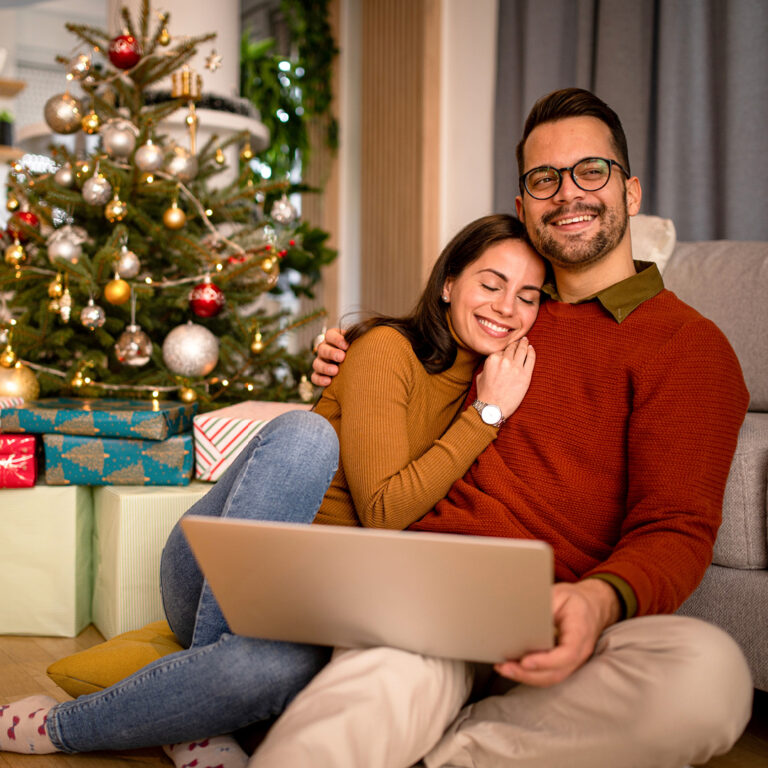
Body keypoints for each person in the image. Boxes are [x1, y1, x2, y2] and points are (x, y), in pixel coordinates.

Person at [246, 88, 754, 768]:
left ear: (630, 192)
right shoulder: (505, 310)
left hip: (554, 610)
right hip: (428, 590)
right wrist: (344, 355)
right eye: (544, 179)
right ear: (523, 207)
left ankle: (453, 751)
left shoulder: (688, 346)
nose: (567, 193)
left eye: (591, 171)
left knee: (709, 674)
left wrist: (598, 602)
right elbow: (408, 360)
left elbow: (676, 527)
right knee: (373, 694)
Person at [0, 215, 546, 764]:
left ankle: (196, 715)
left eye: (527, 296)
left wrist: (488, 406)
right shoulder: (391, 352)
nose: (506, 307)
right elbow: (384, 510)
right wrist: (487, 414)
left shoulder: (496, 382)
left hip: (317, 604)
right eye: (491, 283)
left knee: (263, 669)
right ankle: (61, 727)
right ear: (449, 283)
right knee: (305, 436)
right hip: (215, 566)